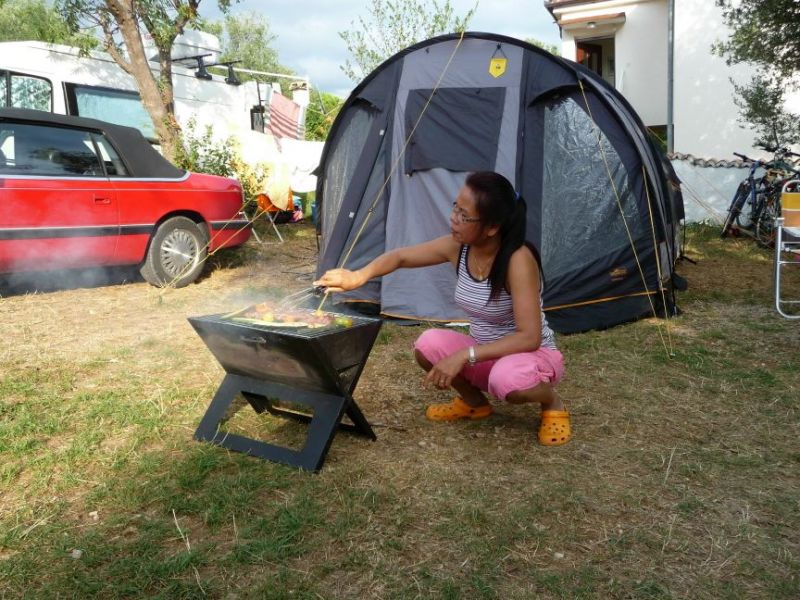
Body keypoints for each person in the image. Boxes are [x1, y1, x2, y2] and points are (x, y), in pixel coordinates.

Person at [313, 171, 570, 446]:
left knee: (508, 381)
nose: (454, 218)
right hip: (486, 352)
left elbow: (528, 337)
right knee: (428, 345)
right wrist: (357, 277)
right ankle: (474, 404)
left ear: (492, 227)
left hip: (531, 355)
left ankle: (552, 402)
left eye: (464, 215)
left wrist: (463, 355)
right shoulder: (458, 248)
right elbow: (400, 257)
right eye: (455, 208)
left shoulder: (518, 260)